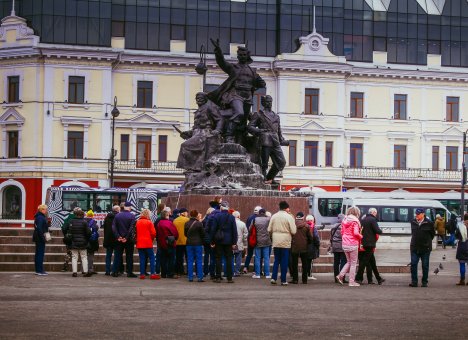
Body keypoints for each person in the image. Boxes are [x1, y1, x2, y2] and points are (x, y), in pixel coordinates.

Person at [208, 39, 266, 144]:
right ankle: (228, 136)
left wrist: (260, 83)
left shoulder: (252, 71)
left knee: (243, 121)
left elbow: (261, 83)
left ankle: (240, 139)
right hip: (236, 94)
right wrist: (218, 50)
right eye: (240, 55)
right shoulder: (233, 67)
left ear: (247, 56)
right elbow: (221, 62)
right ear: (238, 56)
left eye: (244, 54)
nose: (242, 56)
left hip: (247, 96)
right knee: (239, 113)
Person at [247, 95, 289, 183]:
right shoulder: (258, 114)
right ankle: (264, 180)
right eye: (267, 101)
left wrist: (282, 140)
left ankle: (269, 178)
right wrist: (260, 131)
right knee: (264, 164)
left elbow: (279, 130)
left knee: (281, 162)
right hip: (264, 140)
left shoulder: (276, 116)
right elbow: (250, 127)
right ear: (263, 103)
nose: (269, 103)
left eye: (270, 101)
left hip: (275, 141)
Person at [176, 92, 223, 172]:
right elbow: (196, 127)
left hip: (206, 132)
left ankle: (194, 167)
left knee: (185, 145)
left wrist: (218, 130)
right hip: (197, 133)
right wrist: (187, 133)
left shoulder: (209, 107)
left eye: (201, 98)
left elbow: (220, 119)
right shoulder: (198, 111)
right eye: (197, 98)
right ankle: (194, 167)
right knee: (186, 146)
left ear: (205, 99)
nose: (199, 100)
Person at [268, 201, 297, 286]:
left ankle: (273, 278)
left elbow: (269, 229)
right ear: (286, 208)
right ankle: (283, 280)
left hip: (276, 241)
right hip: (285, 241)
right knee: (284, 260)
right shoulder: (289, 217)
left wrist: (273, 236)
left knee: (277, 260)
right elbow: (294, 231)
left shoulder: (274, 216)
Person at [210, 201, 238, 283]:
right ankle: (229, 278)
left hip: (218, 240)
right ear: (228, 208)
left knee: (218, 258)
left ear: (221, 207)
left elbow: (213, 229)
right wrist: (234, 242)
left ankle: (218, 277)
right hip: (229, 241)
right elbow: (234, 231)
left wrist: (212, 241)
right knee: (229, 259)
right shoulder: (232, 217)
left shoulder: (216, 216)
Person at [355, 208, 384, 285]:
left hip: (363, 243)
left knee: (372, 262)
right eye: (376, 213)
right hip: (370, 244)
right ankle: (358, 278)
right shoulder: (373, 220)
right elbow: (377, 230)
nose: (376, 214)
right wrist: (381, 231)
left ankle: (379, 279)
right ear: (373, 212)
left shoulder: (363, 220)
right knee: (364, 262)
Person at [336, 206, 363, 287]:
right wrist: (361, 236)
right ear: (356, 213)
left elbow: (342, 232)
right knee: (353, 263)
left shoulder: (344, 220)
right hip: (353, 244)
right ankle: (351, 282)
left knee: (348, 262)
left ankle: (340, 275)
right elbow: (355, 233)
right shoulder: (355, 221)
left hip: (345, 244)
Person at [409, 208, 435, 287]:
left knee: (425, 265)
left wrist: (426, 242)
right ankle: (414, 282)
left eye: (418, 214)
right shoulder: (413, 222)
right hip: (414, 248)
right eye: (416, 214)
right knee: (413, 264)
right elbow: (413, 233)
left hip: (425, 248)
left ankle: (424, 282)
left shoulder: (429, 223)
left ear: (423, 214)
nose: (417, 215)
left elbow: (432, 235)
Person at [111, 202, 137, 278]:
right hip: (128, 240)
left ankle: (115, 271)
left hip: (119, 240)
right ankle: (129, 272)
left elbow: (114, 227)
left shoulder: (117, 215)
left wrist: (118, 236)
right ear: (130, 207)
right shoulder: (132, 216)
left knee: (117, 255)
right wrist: (126, 237)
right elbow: (131, 228)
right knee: (129, 256)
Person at [290, 212, 313, 284]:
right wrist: (307, 243)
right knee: (305, 264)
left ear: (296, 217)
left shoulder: (292, 225)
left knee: (294, 264)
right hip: (304, 247)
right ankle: (304, 280)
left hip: (294, 246)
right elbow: (310, 237)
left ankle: (295, 279)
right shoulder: (306, 226)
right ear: (303, 217)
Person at [136, 209, 158, 280]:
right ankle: (152, 274)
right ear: (148, 214)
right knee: (152, 258)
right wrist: (151, 239)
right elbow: (153, 233)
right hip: (148, 243)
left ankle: (142, 274)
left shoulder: (138, 222)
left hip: (140, 243)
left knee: (142, 259)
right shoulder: (149, 222)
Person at [156, 210, 179, 278]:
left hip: (161, 244)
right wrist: (175, 238)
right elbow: (175, 233)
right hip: (170, 243)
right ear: (166, 216)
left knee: (163, 260)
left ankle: (163, 274)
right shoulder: (169, 223)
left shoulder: (159, 223)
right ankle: (170, 273)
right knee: (171, 259)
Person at [69, 209, 92, 277]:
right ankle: (85, 271)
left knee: (74, 257)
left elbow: (69, 231)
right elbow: (89, 233)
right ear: (82, 215)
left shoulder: (71, 221)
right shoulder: (84, 222)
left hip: (73, 241)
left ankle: (74, 272)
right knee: (84, 257)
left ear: (75, 214)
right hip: (83, 242)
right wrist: (86, 238)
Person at [185, 210, 206, 282]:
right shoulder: (199, 224)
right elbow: (203, 234)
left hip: (189, 244)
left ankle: (190, 277)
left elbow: (185, 234)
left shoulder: (186, 223)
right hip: (198, 244)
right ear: (197, 215)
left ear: (190, 215)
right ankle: (200, 277)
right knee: (199, 260)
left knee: (190, 260)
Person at [252, 208, 271, 279]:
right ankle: (267, 274)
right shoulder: (268, 219)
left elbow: (251, 228)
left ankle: (257, 274)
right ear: (265, 213)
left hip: (257, 241)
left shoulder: (255, 219)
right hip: (266, 241)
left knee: (257, 257)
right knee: (266, 258)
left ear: (259, 213)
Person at [243, 206, 262, 274]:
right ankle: (255, 270)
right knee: (257, 254)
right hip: (256, 238)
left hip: (250, 238)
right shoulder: (259, 218)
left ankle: (245, 267)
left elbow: (247, 227)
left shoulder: (249, 217)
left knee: (249, 254)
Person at [60, 207, 79, 272]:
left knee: (68, 253)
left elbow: (64, 228)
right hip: (79, 239)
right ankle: (83, 269)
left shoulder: (68, 218)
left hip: (70, 239)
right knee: (81, 253)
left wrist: (66, 235)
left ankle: (65, 266)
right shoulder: (80, 218)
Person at [330, 214, 347, 283]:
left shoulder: (334, 226)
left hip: (335, 246)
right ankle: (341, 277)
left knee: (336, 262)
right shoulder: (343, 226)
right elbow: (343, 236)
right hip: (342, 246)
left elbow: (331, 236)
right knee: (343, 261)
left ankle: (336, 277)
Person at [103, 205, 120, 275]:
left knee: (108, 255)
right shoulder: (118, 217)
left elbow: (105, 229)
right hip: (116, 239)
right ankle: (114, 270)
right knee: (116, 255)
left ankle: (107, 271)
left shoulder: (107, 218)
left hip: (108, 239)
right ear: (117, 210)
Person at [33, 204, 49, 276]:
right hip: (40, 237)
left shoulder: (38, 216)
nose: (46, 211)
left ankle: (38, 270)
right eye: (45, 209)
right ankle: (39, 270)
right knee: (40, 254)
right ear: (42, 210)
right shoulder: (40, 217)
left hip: (38, 237)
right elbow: (39, 228)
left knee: (38, 253)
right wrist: (43, 237)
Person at [173, 208, 189, 277]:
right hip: (186, 241)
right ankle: (189, 271)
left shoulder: (175, 220)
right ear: (184, 213)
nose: (187, 214)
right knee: (188, 257)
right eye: (186, 212)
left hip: (178, 242)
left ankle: (179, 271)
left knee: (179, 258)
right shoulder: (187, 220)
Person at [232, 211, 248, 277]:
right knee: (238, 258)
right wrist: (244, 243)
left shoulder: (230, 223)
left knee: (231, 258)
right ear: (239, 216)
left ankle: (231, 271)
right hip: (239, 243)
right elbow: (245, 234)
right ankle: (237, 271)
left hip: (231, 243)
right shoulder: (242, 224)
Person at [203, 207, 216, 279]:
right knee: (212, 256)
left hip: (205, 240)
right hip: (211, 240)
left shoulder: (204, 219)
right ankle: (212, 272)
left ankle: (205, 271)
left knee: (206, 256)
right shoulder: (213, 219)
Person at [305, 214, 320, 280]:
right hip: (311, 247)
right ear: (312, 220)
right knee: (310, 262)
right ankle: (309, 275)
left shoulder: (304, 226)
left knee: (305, 261)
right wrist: (318, 244)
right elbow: (316, 237)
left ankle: (305, 274)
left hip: (305, 247)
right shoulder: (313, 227)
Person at [455, 213, 468, 285]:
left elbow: (456, 235)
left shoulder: (460, 226)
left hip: (462, 246)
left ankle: (462, 280)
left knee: (462, 264)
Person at [85, 210, 99, 275]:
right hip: (92, 241)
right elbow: (95, 229)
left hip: (84, 240)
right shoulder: (93, 222)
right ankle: (90, 269)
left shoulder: (83, 221)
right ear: (92, 215)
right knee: (90, 256)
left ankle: (84, 269)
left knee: (84, 256)